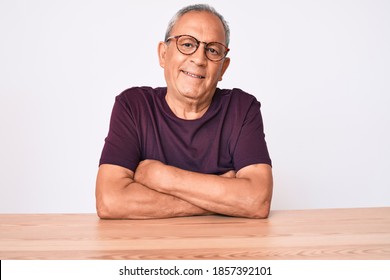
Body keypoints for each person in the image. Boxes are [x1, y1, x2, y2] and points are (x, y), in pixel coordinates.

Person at [96, 4, 273, 219]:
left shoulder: (242, 108)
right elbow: (110, 201)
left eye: (213, 50)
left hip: (224, 248)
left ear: (223, 69)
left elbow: (257, 202)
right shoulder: (133, 105)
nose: (199, 59)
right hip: (149, 249)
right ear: (163, 54)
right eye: (187, 44)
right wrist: (223, 199)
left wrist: (161, 176)